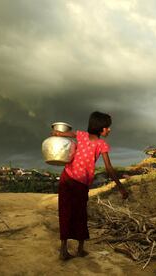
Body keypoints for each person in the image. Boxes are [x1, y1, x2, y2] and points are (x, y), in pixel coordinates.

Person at [51, 111, 129, 261]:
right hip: (77, 183)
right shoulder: (101, 144)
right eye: (107, 127)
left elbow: (65, 134)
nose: (109, 130)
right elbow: (109, 168)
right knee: (79, 214)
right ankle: (77, 249)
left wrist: (58, 133)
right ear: (101, 128)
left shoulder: (83, 136)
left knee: (67, 212)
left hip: (67, 178)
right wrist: (121, 187)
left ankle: (65, 250)